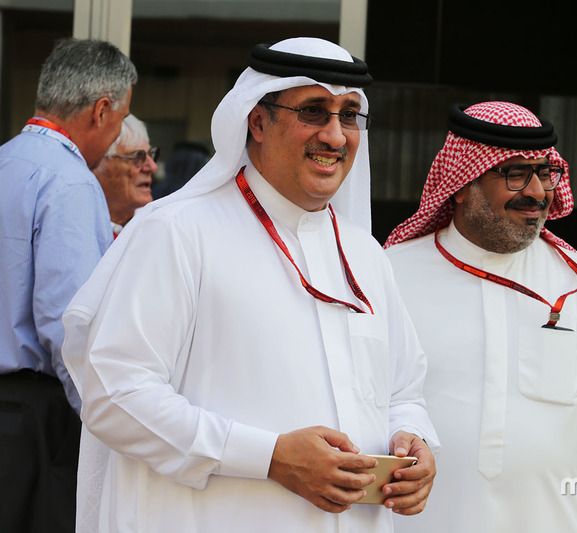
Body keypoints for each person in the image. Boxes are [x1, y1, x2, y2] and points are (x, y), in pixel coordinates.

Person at [61, 37, 439, 532]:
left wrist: (412, 438)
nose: (335, 135)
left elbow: (404, 391)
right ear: (257, 122)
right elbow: (115, 395)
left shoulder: (364, 254)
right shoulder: (178, 232)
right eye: (313, 111)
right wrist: (270, 457)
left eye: (349, 115)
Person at [384, 101, 577, 531]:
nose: (536, 192)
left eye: (545, 172)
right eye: (515, 173)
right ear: (461, 183)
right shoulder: (389, 275)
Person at [0, 38, 136, 533]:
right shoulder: (71, 182)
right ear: (101, 111)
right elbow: (68, 326)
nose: (117, 136)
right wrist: (104, 426)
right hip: (30, 418)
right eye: (121, 120)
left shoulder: (6, 160)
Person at [93, 114, 159, 236]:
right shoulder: (72, 224)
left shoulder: (161, 226)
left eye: (151, 154)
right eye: (137, 157)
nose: (153, 167)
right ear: (96, 164)